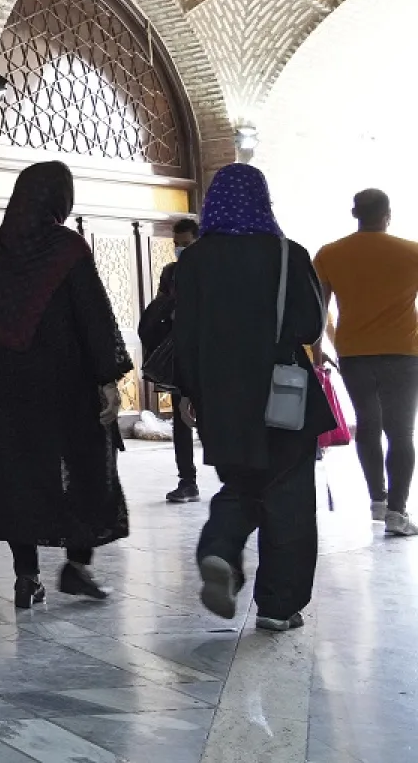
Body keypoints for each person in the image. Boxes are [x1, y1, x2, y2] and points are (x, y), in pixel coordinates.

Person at [0, 162, 130, 608]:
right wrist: (108, 377)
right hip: (66, 385)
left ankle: (26, 577)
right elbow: (93, 316)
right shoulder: (66, 249)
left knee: (16, 478)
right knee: (85, 468)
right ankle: (76, 566)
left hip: (4, 389)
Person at [176, 163, 335, 632]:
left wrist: (189, 393)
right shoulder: (288, 253)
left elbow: (184, 337)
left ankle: (219, 550)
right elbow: (308, 326)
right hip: (283, 393)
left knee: (242, 484)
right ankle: (278, 606)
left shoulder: (195, 260)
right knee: (287, 495)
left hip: (221, 399)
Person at [313, 189, 418, 537]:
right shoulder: (412, 253)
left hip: (354, 352)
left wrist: (319, 347)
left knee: (368, 426)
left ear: (354, 213)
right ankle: (397, 512)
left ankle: (377, 499)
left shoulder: (331, 254)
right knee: (400, 432)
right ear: (387, 214)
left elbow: (317, 308)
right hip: (403, 352)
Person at [139, 218, 202, 503]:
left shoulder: (213, 269)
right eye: (176, 245)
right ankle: (187, 481)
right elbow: (161, 309)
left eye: (186, 244)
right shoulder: (171, 273)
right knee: (181, 419)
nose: (180, 250)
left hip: (209, 353)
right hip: (180, 353)